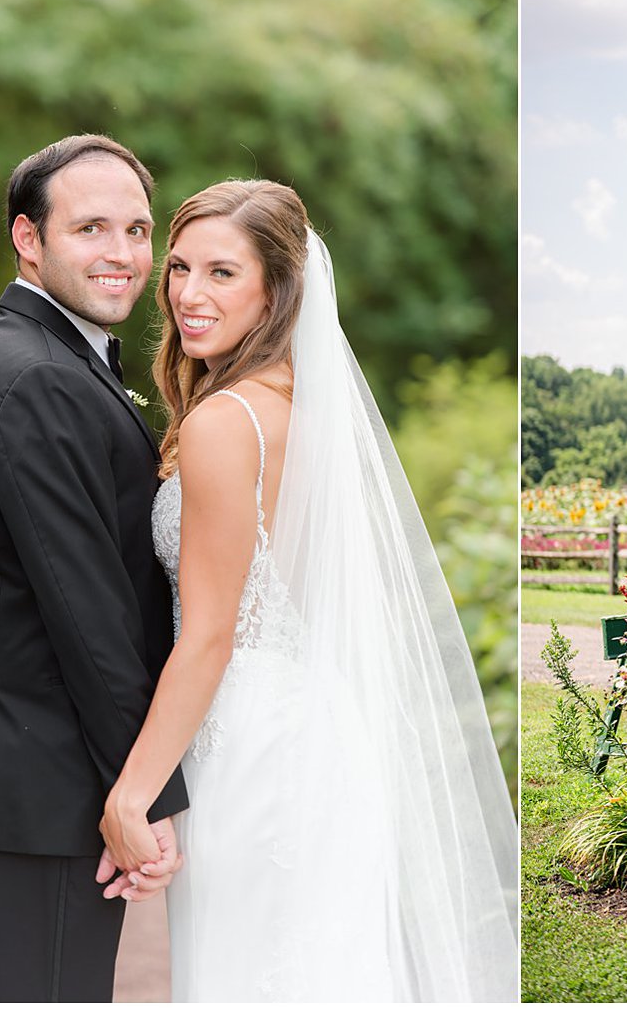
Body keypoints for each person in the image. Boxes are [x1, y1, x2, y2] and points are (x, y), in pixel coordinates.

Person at [98, 180, 519, 1001]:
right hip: (313, 732)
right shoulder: (298, 411)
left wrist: (132, 794)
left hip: (252, 753)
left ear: (277, 290)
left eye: (223, 272)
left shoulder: (227, 422)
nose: (187, 292)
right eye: (179, 267)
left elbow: (211, 636)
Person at [0, 135, 187, 1002]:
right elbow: (89, 618)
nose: (124, 253)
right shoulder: (42, 377)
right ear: (28, 237)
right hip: (32, 796)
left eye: (136, 228)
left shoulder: (5, 353)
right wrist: (143, 798)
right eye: (91, 227)